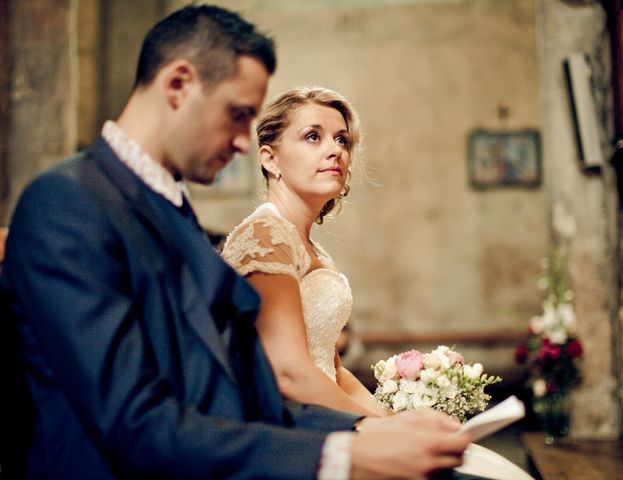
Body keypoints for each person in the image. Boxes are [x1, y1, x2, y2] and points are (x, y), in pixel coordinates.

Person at [0, 5, 472, 479]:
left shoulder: (175, 213)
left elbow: (243, 396)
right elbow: (134, 421)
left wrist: (372, 431)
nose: (245, 143)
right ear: (179, 84)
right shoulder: (68, 202)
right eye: (237, 113)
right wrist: (344, 455)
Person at [222, 87, 387, 417]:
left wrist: (392, 420)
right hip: (294, 427)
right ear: (270, 158)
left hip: (327, 413)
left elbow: (334, 370)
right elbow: (289, 375)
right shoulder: (265, 236)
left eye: (342, 140)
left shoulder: (312, 249)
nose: (334, 150)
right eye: (313, 137)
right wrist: (383, 432)